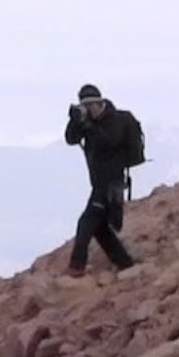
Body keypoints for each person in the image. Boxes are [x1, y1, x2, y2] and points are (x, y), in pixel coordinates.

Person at [64, 84, 139, 275]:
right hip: (98, 183)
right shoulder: (88, 122)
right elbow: (71, 139)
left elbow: (109, 142)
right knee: (99, 228)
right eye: (85, 107)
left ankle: (76, 266)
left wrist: (89, 126)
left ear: (99, 102)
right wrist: (75, 121)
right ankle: (125, 263)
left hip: (112, 182)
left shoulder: (117, 120)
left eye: (90, 105)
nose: (89, 110)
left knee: (86, 222)